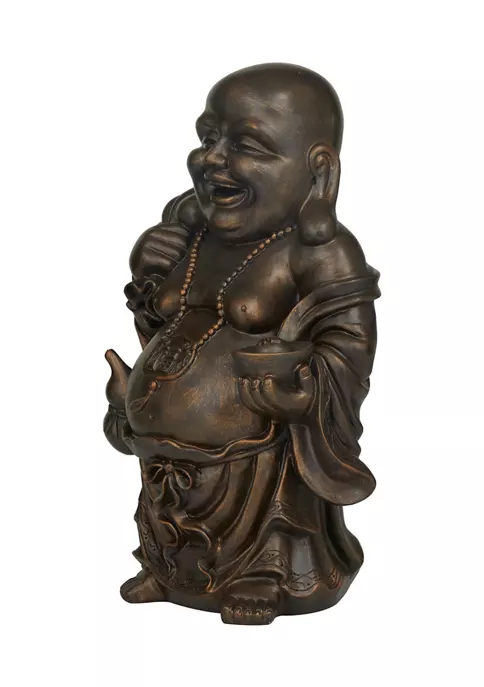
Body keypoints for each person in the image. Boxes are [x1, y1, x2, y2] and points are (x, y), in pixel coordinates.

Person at [104, 63, 380, 624]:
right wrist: (148, 272)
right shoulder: (190, 235)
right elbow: (159, 320)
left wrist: (307, 388)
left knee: (274, 498)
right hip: (166, 449)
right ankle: (167, 566)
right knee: (166, 501)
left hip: (262, 454)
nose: (212, 159)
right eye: (207, 138)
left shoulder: (317, 251)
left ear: (318, 171)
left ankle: (267, 571)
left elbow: (350, 345)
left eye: (246, 146)